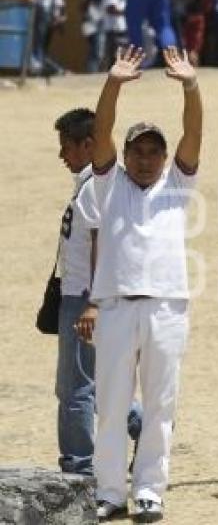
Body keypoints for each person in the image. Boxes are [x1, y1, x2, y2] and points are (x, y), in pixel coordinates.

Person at [83, 45, 202, 521]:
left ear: (165, 156)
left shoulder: (178, 184)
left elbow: (195, 130)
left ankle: (150, 489)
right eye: (139, 150)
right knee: (111, 407)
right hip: (114, 306)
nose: (147, 158)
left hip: (167, 308)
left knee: (159, 405)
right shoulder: (108, 183)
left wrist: (191, 86)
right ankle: (110, 491)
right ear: (126, 153)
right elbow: (100, 130)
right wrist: (113, 82)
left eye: (155, 151)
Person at [52, 109, 142, 477]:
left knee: (75, 389)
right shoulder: (96, 182)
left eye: (66, 147)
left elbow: (100, 245)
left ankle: (80, 470)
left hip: (85, 297)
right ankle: (148, 425)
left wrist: (91, 303)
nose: (62, 155)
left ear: (88, 145)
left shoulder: (96, 186)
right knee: (100, 383)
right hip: (88, 295)